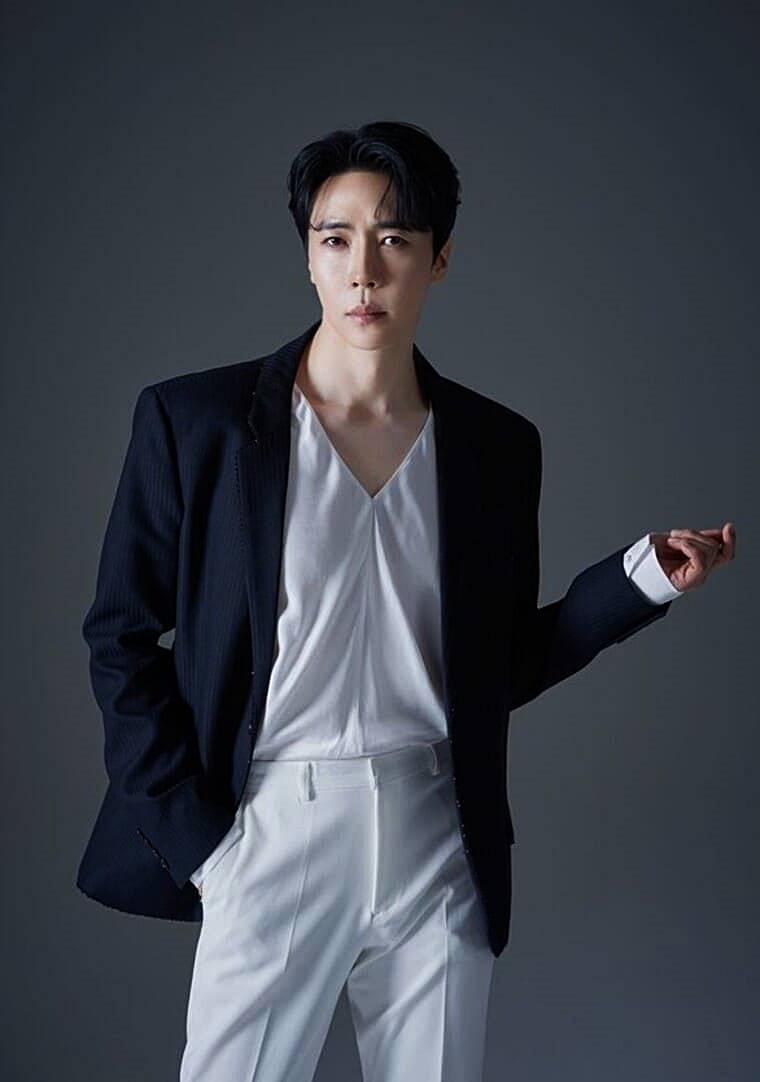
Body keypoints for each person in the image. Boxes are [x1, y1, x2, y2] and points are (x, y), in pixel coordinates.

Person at [77, 120, 735, 1081]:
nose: (364, 272)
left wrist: (638, 581)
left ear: (440, 258)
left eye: (394, 239)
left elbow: (495, 666)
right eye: (336, 239)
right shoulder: (198, 424)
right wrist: (204, 846)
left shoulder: (496, 447)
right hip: (272, 830)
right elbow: (121, 638)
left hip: (437, 830)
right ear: (307, 255)